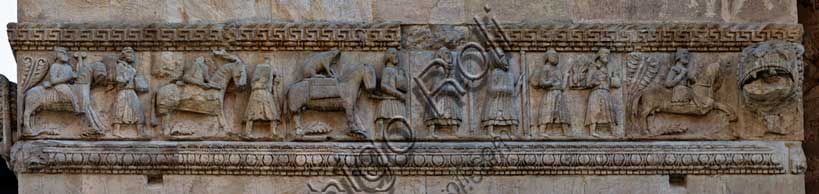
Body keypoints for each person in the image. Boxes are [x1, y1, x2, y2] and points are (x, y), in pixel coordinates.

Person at [530, 49, 570, 136]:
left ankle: (566, 131)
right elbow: (542, 82)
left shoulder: (558, 70)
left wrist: (566, 77)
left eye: (557, 57)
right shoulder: (546, 68)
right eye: (553, 56)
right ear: (547, 57)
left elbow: (562, 87)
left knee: (562, 112)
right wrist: (551, 82)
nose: (556, 58)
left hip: (559, 94)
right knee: (547, 111)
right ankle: (542, 131)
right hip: (550, 94)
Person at [111, 47, 149, 137]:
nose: (132, 56)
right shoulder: (120, 66)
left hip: (131, 91)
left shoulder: (131, 68)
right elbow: (118, 78)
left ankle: (140, 132)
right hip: (123, 91)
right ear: (124, 55)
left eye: (132, 54)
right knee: (119, 109)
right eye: (129, 53)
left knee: (138, 109)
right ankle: (116, 131)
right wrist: (125, 79)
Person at [482, 51, 519, 136]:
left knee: (511, 115)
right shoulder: (494, 73)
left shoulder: (509, 74)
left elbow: (512, 90)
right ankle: (490, 131)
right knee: (493, 114)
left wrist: (516, 86)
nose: (505, 60)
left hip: (507, 101)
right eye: (502, 57)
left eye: (505, 57)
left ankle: (513, 131)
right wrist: (504, 89)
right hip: (496, 99)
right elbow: (491, 89)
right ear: (497, 60)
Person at [375, 48, 408, 137]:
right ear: (388, 57)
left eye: (396, 54)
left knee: (400, 125)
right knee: (381, 122)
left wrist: (402, 77)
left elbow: (404, 87)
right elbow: (383, 86)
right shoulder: (387, 70)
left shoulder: (398, 71)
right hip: (388, 100)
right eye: (393, 53)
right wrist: (398, 94)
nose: (396, 55)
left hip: (397, 101)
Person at [244, 58, 280, 138]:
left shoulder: (262, 74)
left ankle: (273, 131)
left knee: (269, 111)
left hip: (263, 92)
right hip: (261, 92)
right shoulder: (263, 73)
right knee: (257, 111)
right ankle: (248, 132)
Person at [584, 49, 617, 137]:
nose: (607, 56)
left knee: (609, 111)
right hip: (596, 91)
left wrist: (610, 77)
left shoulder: (607, 68)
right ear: (600, 55)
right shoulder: (593, 67)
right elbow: (588, 83)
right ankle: (592, 132)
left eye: (608, 54)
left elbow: (611, 83)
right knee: (594, 111)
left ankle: (613, 132)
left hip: (606, 91)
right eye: (605, 54)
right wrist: (596, 81)